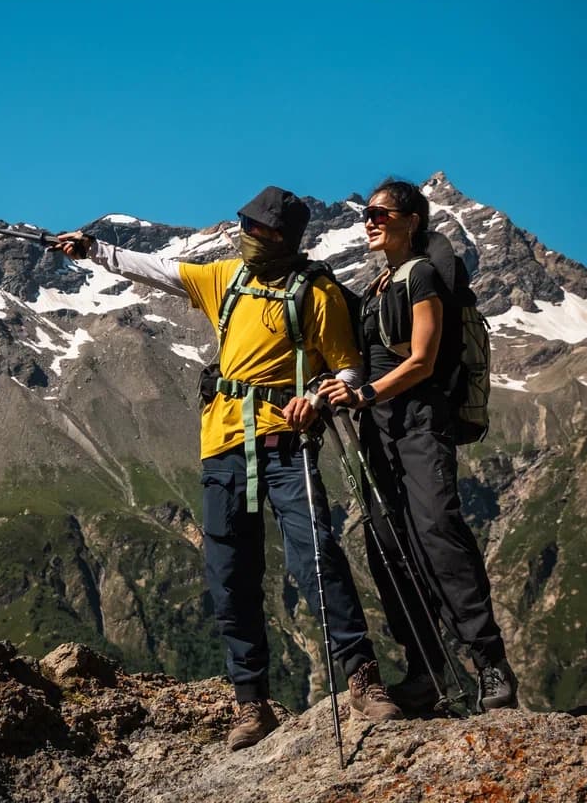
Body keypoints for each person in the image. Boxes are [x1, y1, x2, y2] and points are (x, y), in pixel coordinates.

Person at [58, 185, 402, 750]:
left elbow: (349, 369)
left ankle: (361, 679)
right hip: (221, 445)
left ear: (283, 238)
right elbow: (161, 270)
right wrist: (93, 249)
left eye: (260, 230)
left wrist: (318, 396)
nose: (249, 235)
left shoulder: (318, 294)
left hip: (286, 445)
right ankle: (251, 703)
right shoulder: (226, 277)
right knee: (228, 574)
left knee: (316, 555)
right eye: (248, 225)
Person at [319, 178, 518, 714]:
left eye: (379, 214)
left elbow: (424, 360)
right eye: (366, 213)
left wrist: (365, 392)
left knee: (437, 533)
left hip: (419, 424)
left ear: (411, 220)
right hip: (377, 429)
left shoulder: (421, 276)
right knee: (390, 548)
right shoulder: (380, 283)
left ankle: (490, 664)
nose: (369, 221)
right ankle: (425, 668)